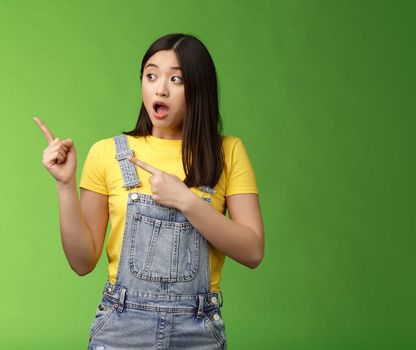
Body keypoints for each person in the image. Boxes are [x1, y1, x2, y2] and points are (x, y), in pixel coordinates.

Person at [34, 33, 265, 349]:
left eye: (176, 79)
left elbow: (252, 251)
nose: (161, 88)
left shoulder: (227, 152)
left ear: (199, 87)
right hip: (121, 328)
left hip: (198, 333)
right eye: (151, 75)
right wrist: (64, 186)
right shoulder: (107, 153)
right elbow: (82, 261)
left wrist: (186, 201)